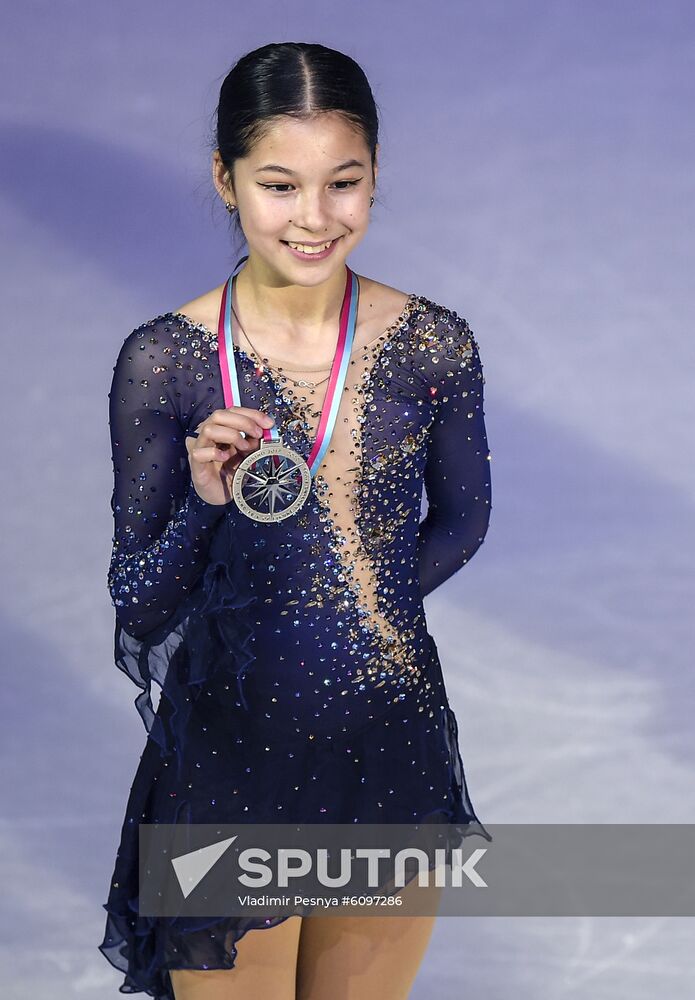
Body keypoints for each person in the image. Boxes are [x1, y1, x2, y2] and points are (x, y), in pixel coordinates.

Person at [98, 40, 493, 1000]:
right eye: (279, 184)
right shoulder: (168, 362)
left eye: (342, 183)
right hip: (231, 757)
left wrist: (355, 604)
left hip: (387, 748)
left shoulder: (430, 344)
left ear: (372, 179)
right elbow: (138, 596)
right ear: (225, 181)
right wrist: (203, 510)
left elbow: (464, 520)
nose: (313, 218)